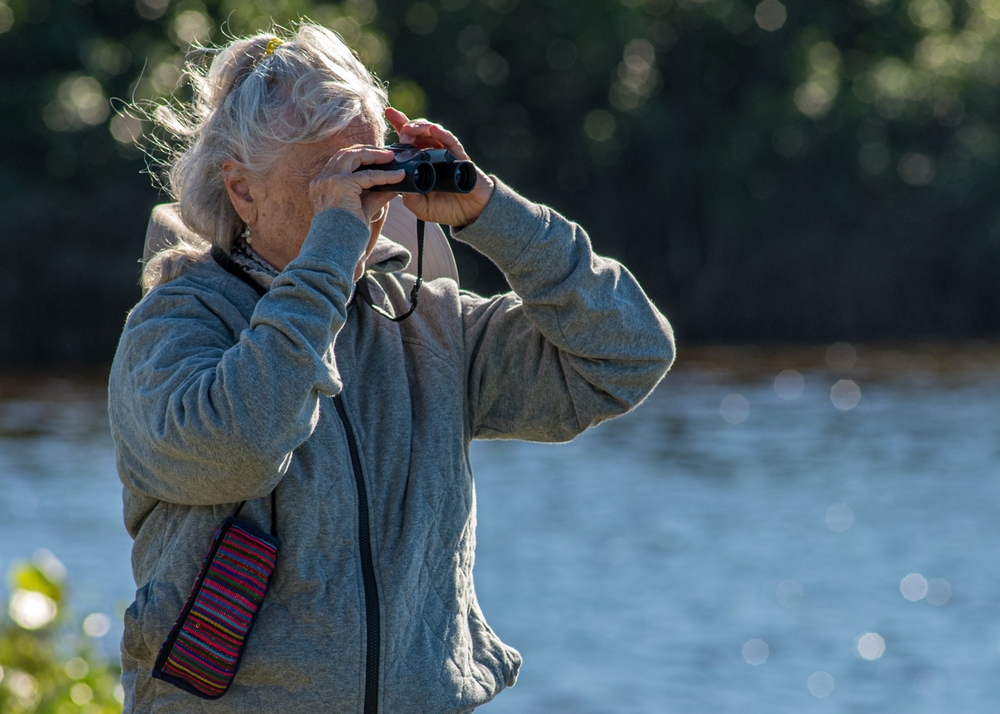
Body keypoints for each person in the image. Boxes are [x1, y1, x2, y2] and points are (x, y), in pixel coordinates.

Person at [108, 23, 674, 714]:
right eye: (329, 180)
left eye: (369, 171)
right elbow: (243, 447)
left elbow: (630, 353)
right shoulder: (174, 325)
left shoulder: (428, 327)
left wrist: (491, 211)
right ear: (243, 191)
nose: (361, 202)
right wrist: (331, 252)